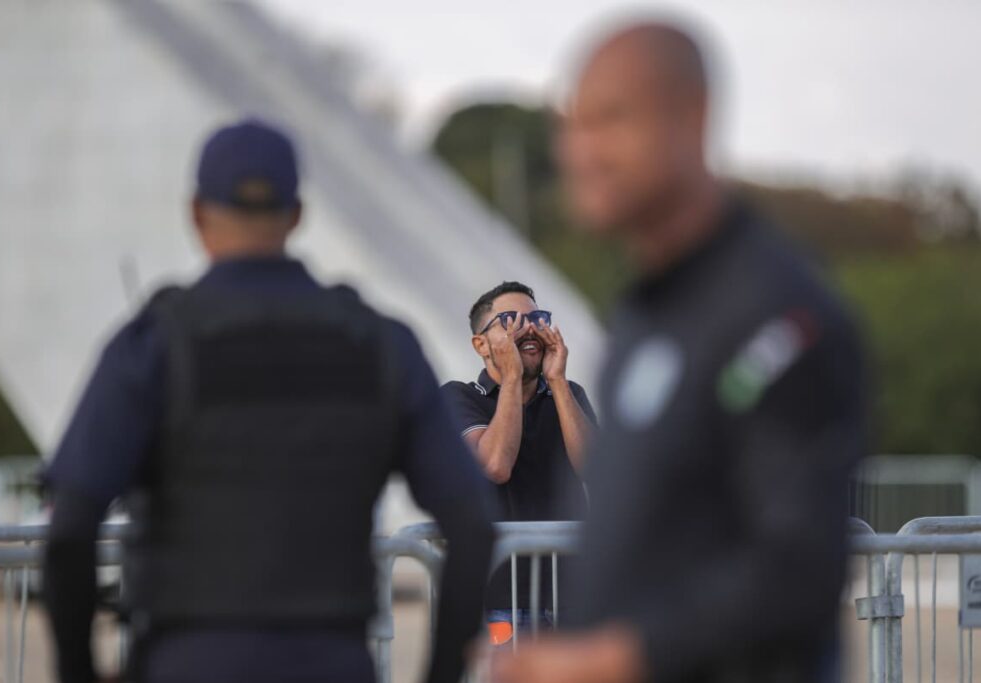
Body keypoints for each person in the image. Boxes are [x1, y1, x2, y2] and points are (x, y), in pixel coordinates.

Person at [42, 119, 495, 683]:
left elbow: (69, 530)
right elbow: (472, 523)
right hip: (333, 664)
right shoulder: (381, 345)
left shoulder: (154, 346)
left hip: (187, 664)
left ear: (197, 214)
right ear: (297, 214)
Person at [494, 22, 866, 683]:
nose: (580, 151)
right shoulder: (642, 313)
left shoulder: (777, 312)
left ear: (691, 119)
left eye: (611, 120)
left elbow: (798, 566)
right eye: (572, 125)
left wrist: (610, 660)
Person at [441, 282, 595, 644]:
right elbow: (495, 465)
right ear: (481, 344)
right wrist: (511, 379)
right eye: (511, 320)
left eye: (537, 319)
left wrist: (557, 382)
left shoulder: (569, 395)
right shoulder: (459, 397)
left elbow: (597, 471)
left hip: (574, 597)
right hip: (503, 602)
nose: (528, 330)